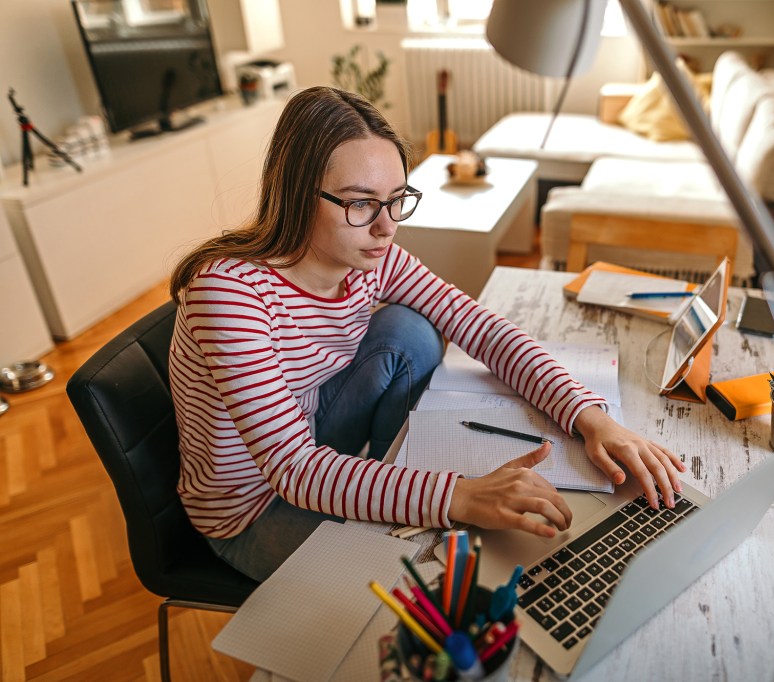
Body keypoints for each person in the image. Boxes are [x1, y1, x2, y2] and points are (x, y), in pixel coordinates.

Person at [168, 86, 685, 582]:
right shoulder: (229, 293)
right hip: (255, 504)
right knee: (427, 574)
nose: (386, 226)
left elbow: (480, 327)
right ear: (297, 194)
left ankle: (400, 472)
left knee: (409, 329)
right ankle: (408, 488)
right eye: (361, 203)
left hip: (310, 430)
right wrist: (460, 495)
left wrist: (590, 416)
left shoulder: (369, 255)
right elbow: (296, 470)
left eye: (397, 199)